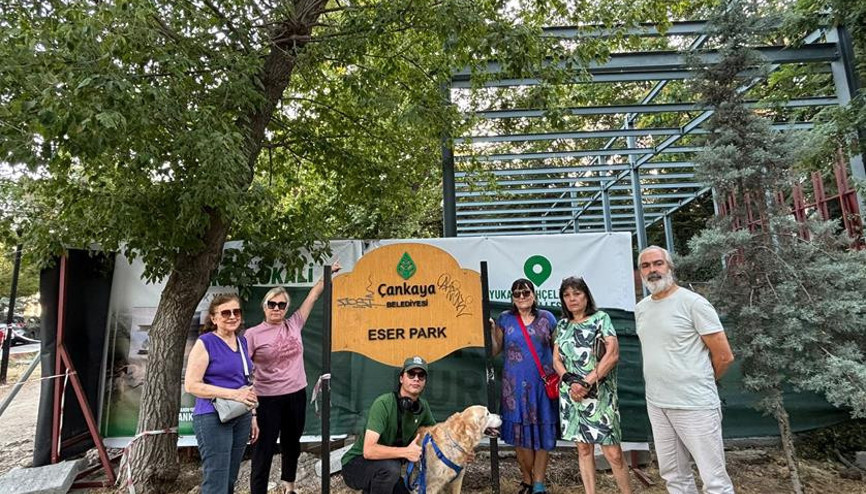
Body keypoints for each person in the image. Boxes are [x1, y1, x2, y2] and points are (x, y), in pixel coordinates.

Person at [635, 246, 736, 494]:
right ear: (640, 273)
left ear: (669, 267)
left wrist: (699, 382)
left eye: (658, 263)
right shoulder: (642, 308)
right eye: (645, 266)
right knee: (674, 476)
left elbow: (724, 356)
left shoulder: (694, 303)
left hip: (695, 405)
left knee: (714, 479)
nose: (652, 270)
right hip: (657, 404)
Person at [246, 262, 341, 494]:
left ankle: (289, 487)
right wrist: (252, 410)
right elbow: (243, 372)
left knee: (292, 444)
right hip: (267, 400)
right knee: (264, 449)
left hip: (296, 395)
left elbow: (312, 296)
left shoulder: (295, 324)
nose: (276, 308)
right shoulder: (252, 335)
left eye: (281, 304)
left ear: (287, 307)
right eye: (272, 304)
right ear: (264, 306)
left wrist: (327, 274)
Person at [552, 277, 632, 494]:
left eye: (576, 293)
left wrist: (585, 382)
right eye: (567, 295)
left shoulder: (601, 318)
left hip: (599, 394)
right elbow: (556, 360)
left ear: (586, 296)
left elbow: (612, 354)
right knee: (583, 449)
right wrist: (571, 382)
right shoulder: (561, 325)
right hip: (572, 395)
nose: (572, 299)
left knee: (613, 453)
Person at [185, 293, 259, 494]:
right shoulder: (205, 342)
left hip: (240, 415)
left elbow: (246, 382)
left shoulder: (242, 342)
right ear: (214, 318)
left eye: (236, 312)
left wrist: (252, 415)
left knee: (229, 478)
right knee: (216, 480)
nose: (232, 316)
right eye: (225, 312)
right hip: (212, 416)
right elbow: (191, 385)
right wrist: (234, 395)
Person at [490, 279, 559, 494]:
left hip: (542, 386)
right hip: (514, 388)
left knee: (543, 433)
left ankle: (538, 483)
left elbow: (559, 351)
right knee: (520, 437)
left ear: (534, 294)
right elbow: (494, 350)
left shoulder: (547, 318)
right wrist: (491, 330)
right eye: (517, 293)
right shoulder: (505, 319)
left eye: (526, 292)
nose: (522, 297)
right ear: (512, 297)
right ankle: (527, 478)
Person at [341, 356, 437, 494]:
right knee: (391, 469)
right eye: (411, 374)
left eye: (421, 375)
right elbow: (369, 451)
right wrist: (406, 452)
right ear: (401, 378)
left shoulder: (423, 407)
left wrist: (463, 451)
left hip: (385, 468)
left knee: (392, 474)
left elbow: (438, 436)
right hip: (355, 465)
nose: (416, 378)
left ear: (425, 382)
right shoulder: (383, 404)